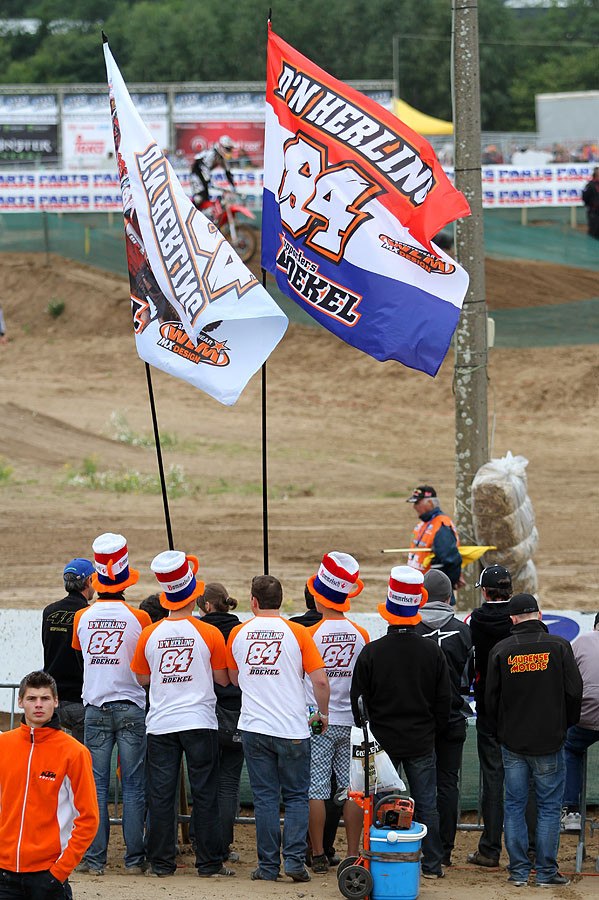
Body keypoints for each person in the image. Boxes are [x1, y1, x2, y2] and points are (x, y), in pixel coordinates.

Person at [131, 552, 234, 878]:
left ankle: (160, 863)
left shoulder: (150, 633)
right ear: (194, 597)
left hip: (161, 722)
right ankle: (210, 864)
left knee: (161, 795)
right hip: (200, 721)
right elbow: (222, 678)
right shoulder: (209, 633)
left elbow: (142, 679)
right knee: (206, 794)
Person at [226, 574, 329, 883]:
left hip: (255, 727)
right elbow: (321, 680)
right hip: (292, 728)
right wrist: (322, 714)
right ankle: (295, 861)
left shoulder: (239, 633)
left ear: (253, 601)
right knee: (297, 796)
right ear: (282, 601)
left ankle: (269, 866)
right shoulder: (297, 632)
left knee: (266, 798)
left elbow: (233, 677)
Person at [351, 566, 451, 879]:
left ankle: (382, 860)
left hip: (382, 745)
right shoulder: (432, 651)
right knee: (426, 804)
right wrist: (432, 729)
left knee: (381, 804)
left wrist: (371, 733)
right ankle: (432, 864)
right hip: (421, 740)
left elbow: (358, 703)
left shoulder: (372, 653)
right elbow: (443, 702)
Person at [485, 593, 583, 888]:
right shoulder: (560, 647)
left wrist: (498, 732)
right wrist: (564, 724)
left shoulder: (501, 649)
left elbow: (490, 699)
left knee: (514, 805)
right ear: (539, 615)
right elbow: (575, 692)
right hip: (549, 741)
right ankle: (545, 872)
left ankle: (518, 872)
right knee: (549, 807)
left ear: (512, 619)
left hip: (512, 742)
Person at [72, 533, 151, 876]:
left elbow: (82, 657)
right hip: (132, 706)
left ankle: (94, 859)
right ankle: (134, 860)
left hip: (96, 708)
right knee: (134, 786)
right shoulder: (140, 619)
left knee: (97, 786)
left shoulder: (82, 618)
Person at [0, 670, 99, 899]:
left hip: (48, 877)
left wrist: (60, 871)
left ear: (55, 701)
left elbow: (89, 818)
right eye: (32, 698)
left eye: (45, 698)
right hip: (4, 876)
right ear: (20, 701)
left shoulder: (74, 753)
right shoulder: (4, 746)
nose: (38, 704)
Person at [304, 552, 369, 873]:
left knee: (316, 788)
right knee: (351, 790)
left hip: (318, 720)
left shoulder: (310, 635)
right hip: (352, 723)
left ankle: (317, 853)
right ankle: (353, 852)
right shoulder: (360, 634)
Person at [417, 569, 473, 867]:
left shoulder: (411, 629)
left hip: (419, 721)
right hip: (452, 717)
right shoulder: (463, 631)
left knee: (421, 787)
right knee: (447, 784)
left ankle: (424, 847)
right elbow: (467, 679)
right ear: (449, 596)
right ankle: (445, 850)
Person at [467, 563, 513, 867]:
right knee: (531, 780)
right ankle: (533, 850)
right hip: (522, 711)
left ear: (484, 591)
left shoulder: (474, 619)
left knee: (493, 779)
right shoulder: (521, 617)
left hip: (488, 708)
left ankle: (490, 849)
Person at [197, 582, 243, 864]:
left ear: (208, 606)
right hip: (238, 712)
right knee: (228, 784)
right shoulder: (240, 630)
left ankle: (206, 845)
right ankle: (222, 846)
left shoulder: (200, 631)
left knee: (206, 783)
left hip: (206, 713)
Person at [42, 558, 95, 743]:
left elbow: (47, 647)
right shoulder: (88, 614)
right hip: (79, 699)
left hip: (52, 697)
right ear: (89, 581)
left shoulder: (49, 611)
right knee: (81, 762)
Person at [561, 610, 599, 832]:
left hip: (585, 715)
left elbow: (568, 679)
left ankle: (571, 810)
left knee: (571, 749)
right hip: (586, 714)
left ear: (595, 626)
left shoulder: (582, 641)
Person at [406, 485, 463, 596]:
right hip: (419, 587)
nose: (414, 506)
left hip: (434, 591)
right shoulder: (422, 523)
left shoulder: (441, 525)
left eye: (417, 503)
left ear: (430, 503)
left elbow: (451, 560)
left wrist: (450, 583)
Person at [190, 136, 236, 209]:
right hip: (197, 174)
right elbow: (203, 167)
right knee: (199, 198)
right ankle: (190, 212)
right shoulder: (211, 153)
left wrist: (233, 186)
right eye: (228, 149)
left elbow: (227, 172)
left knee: (206, 198)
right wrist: (207, 180)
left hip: (204, 176)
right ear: (221, 147)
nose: (229, 151)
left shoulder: (221, 157)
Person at [582, 166, 599, 239]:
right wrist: (591, 205)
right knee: (593, 231)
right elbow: (585, 197)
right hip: (593, 211)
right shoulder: (590, 185)